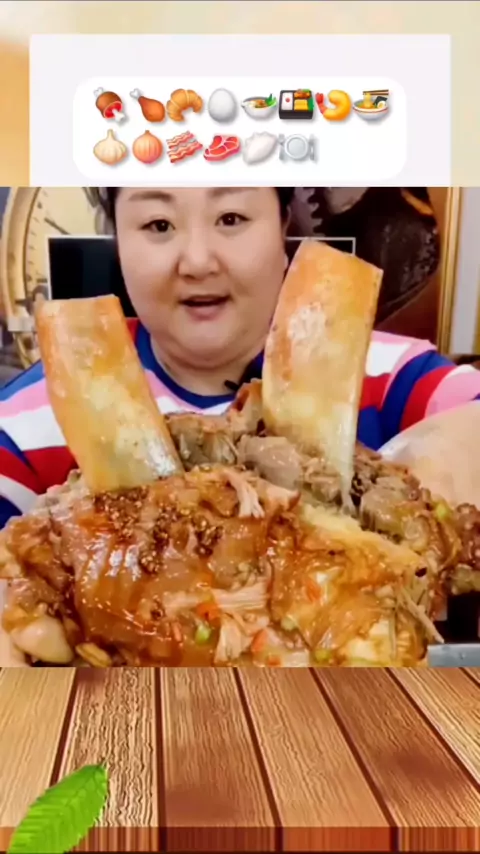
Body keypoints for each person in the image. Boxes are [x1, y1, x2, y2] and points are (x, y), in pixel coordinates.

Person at [1, 185, 480, 532]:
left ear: (283, 226)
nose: (197, 261)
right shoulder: (27, 422)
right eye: (158, 225)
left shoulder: (394, 378)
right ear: (117, 242)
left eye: (230, 218)